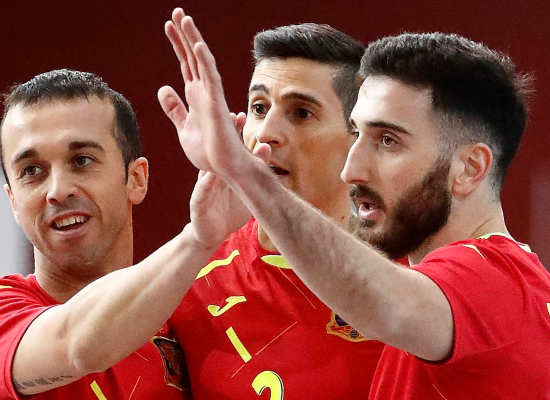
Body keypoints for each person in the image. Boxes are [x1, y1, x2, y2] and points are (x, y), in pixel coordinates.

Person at [158, 10, 550, 399]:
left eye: (387, 141)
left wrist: (245, 173)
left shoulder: (496, 280)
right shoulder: (454, 293)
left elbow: (387, 308)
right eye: (357, 134)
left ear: (469, 167)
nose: (350, 171)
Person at [161, 10, 385, 399]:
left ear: (356, 138)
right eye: (259, 107)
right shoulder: (189, 283)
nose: (266, 133)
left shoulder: (413, 276)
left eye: (301, 113)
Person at [0, 68, 249, 399]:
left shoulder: (196, 315)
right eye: (31, 171)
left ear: (136, 179)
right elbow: (79, 346)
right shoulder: (5, 311)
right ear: (13, 202)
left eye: (81, 161)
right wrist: (197, 240)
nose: (58, 191)